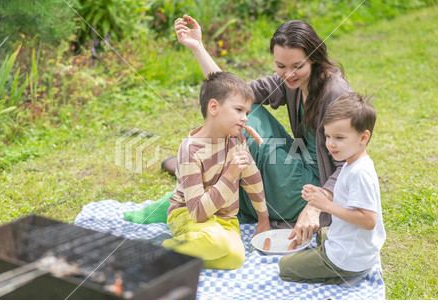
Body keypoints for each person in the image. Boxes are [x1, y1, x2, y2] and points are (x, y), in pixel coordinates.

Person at [166, 15, 355, 244]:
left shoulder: (336, 94)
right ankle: (198, 167)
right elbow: (235, 93)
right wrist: (198, 48)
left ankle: (199, 167)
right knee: (245, 108)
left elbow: (350, 164)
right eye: (280, 66)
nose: (288, 74)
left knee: (247, 121)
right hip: (298, 159)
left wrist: (316, 205)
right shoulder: (292, 81)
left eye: (297, 66)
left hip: (311, 185)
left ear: (314, 58)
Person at [161, 71, 271, 270]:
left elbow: (251, 177)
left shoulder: (236, 138)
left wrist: (264, 219)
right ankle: (163, 250)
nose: (244, 118)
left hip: (225, 219)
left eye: (246, 112)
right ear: (214, 107)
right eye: (238, 110)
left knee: (235, 259)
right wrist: (230, 174)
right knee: (217, 242)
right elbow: (197, 213)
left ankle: (188, 254)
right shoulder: (190, 151)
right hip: (188, 215)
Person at [279, 92, 386, 284]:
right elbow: (346, 200)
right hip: (356, 247)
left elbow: (369, 220)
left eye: (339, 137)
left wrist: (326, 206)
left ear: (363, 138)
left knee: (285, 267)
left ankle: (342, 277)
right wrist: (318, 194)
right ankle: (340, 265)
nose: (330, 144)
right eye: (327, 136)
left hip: (347, 259)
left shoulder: (359, 172)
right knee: (320, 233)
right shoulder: (351, 162)